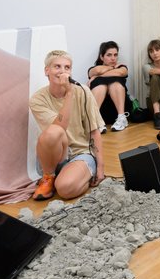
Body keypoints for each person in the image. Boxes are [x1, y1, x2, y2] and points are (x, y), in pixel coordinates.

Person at [28, 50, 104, 201]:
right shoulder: (37, 99)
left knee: (64, 190)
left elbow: (94, 132)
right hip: (53, 156)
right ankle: (49, 178)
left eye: (67, 67)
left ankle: (78, 176)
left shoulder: (83, 92)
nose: (62, 71)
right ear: (46, 71)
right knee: (53, 132)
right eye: (57, 66)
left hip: (80, 153)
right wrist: (69, 95)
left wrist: (100, 167)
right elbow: (59, 129)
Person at [87, 40, 130, 132]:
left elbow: (122, 72)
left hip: (118, 111)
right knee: (101, 85)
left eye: (115, 55)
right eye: (109, 55)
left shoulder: (122, 67)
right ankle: (95, 121)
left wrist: (97, 77)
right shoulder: (93, 69)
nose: (113, 58)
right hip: (101, 112)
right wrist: (111, 68)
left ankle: (122, 119)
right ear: (102, 57)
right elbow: (97, 71)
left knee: (114, 83)